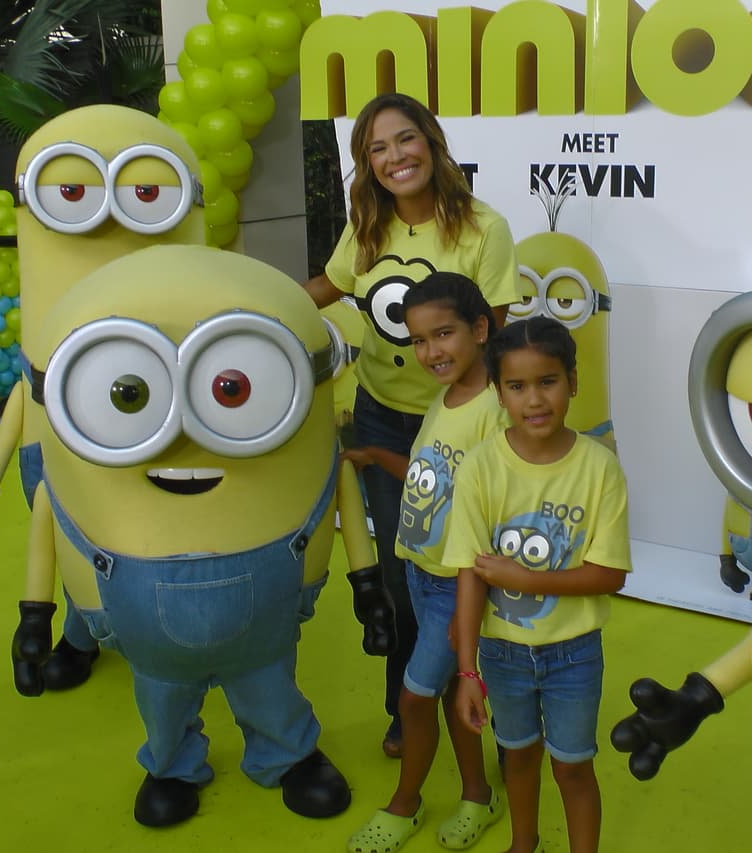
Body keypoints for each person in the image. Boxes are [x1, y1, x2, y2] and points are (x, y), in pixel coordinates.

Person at [304, 92, 519, 758]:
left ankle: (492, 698)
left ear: (431, 140)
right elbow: (329, 287)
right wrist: (254, 301)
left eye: (404, 139)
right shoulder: (366, 227)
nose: (394, 156)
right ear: (366, 164)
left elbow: (498, 335)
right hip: (383, 420)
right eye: (376, 147)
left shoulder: (484, 227)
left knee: (473, 569)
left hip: (460, 425)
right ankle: (409, 704)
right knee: (402, 579)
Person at [446, 317, 632, 853]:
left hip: (574, 655)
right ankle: (522, 845)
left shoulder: (600, 468)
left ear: (573, 381)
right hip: (501, 654)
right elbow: (469, 572)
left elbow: (610, 574)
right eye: (517, 386)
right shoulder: (481, 467)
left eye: (548, 381)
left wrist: (524, 577)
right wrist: (466, 671)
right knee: (518, 758)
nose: (535, 400)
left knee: (573, 769)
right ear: (497, 392)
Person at [345, 273, 508, 853]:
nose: (431, 352)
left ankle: (404, 803)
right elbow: (429, 476)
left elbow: (498, 507)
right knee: (442, 694)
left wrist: (474, 591)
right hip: (421, 572)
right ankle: (477, 795)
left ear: (481, 329)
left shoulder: (495, 409)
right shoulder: (445, 397)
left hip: (455, 585)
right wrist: (373, 456)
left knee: (414, 698)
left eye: (444, 334)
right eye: (418, 340)